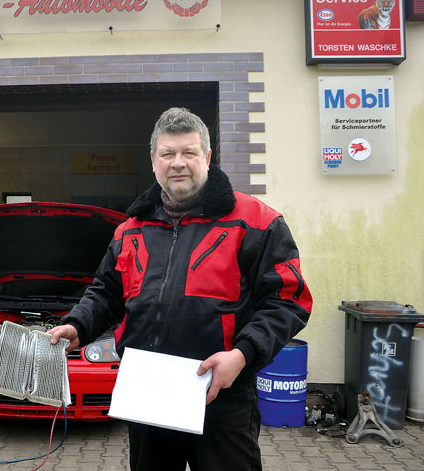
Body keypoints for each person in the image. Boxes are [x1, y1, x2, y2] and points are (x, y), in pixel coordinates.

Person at [48, 107, 312, 471]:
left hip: (221, 392)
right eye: (168, 154)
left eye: (189, 153)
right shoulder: (130, 229)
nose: (178, 163)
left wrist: (242, 354)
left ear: (206, 157)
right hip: (147, 391)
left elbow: (288, 301)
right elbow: (107, 292)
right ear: (154, 161)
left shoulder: (256, 221)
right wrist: (78, 324)